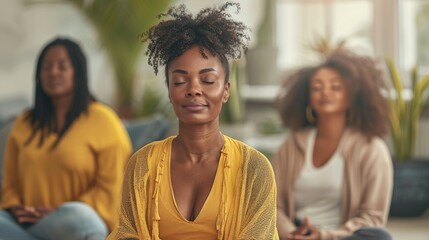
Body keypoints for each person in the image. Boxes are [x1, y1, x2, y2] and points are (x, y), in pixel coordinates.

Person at [107, 3, 278, 240]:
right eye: (180, 81)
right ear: (169, 91)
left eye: (207, 80)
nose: (194, 89)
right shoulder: (143, 165)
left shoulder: (254, 169)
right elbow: (126, 234)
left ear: (226, 90)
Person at [0, 37, 132, 240]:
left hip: (74, 222)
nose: (53, 72)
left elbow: (114, 188)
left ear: (78, 73)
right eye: (46, 67)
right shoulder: (24, 122)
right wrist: (16, 207)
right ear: (38, 75)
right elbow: (9, 183)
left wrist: (56, 211)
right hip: (24, 223)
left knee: (81, 220)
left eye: (62, 66)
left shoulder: (105, 122)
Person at [274, 50, 393, 240]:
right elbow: (274, 204)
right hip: (295, 233)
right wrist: (291, 234)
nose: (325, 92)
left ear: (352, 96)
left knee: (380, 236)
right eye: (317, 87)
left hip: (342, 236)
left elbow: (373, 218)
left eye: (336, 87)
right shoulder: (291, 145)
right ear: (308, 97)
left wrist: (324, 236)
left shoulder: (372, 149)